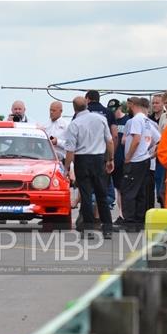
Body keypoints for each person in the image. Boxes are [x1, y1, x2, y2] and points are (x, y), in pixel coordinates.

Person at [63, 96, 115, 239]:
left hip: (82, 160)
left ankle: (89, 229)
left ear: (74, 108)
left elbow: (70, 151)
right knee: (101, 195)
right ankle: (107, 228)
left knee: (85, 196)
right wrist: (110, 159)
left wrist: (67, 168)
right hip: (99, 159)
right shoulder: (100, 119)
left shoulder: (74, 124)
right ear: (86, 104)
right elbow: (110, 141)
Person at [121, 97, 159, 231]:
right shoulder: (147, 120)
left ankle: (130, 222)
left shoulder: (136, 119)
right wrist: (149, 151)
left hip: (135, 160)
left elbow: (136, 139)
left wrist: (128, 157)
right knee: (141, 192)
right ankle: (139, 220)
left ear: (132, 105)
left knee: (129, 191)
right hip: (144, 160)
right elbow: (157, 139)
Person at [107, 98, 128, 224]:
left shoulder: (128, 120)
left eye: (114, 110)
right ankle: (121, 214)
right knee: (117, 188)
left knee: (123, 189)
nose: (113, 113)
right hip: (114, 158)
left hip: (124, 158)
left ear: (120, 108)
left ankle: (124, 214)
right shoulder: (110, 121)